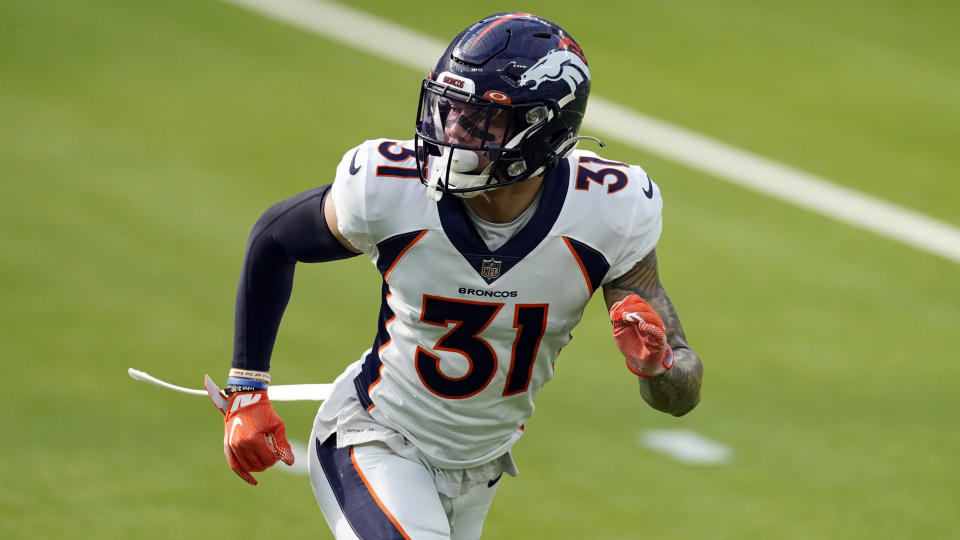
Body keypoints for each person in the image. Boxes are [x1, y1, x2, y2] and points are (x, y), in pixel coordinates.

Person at [213, 12, 703, 540]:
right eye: (450, 110)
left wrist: (656, 366)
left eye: (480, 120)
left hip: (481, 467)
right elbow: (274, 237)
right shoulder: (389, 188)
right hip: (375, 437)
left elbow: (681, 395)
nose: (451, 131)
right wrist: (247, 388)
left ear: (545, 130)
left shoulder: (610, 209)